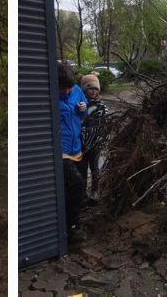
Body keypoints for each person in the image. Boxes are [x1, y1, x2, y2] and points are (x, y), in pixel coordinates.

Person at [57, 62, 87, 242]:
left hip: (77, 149)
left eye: (70, 88)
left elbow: (83, 114)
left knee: (75, 188)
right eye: (63, 88)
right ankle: (72, 226)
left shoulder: (76, 90)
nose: (68, 91)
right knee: (76, 183)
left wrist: (83, 109)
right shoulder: (51, 95)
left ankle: (72, 221)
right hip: (61, 151)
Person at [79, 73, 108, 204]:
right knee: (82, 169)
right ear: (84, 90)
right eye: (90, 88)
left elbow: (104, 124)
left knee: (95, 168)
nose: (93, 91)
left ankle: (95, 191)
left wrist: (101, 137)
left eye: (96, 89)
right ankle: (82, 194)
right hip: (82, 143)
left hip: (96, 143)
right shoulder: (81, 105)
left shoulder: (101, 106)